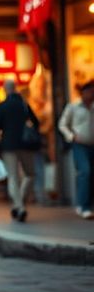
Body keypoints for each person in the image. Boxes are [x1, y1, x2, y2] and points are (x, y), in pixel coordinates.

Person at [0, 79, 41, 222]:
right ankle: (20, 203)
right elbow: (36, 122)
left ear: (4, 89)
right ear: (15, 88)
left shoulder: (1, 106)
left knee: (13, 177)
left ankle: (19, 206)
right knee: (30, 174)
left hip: (8, 146)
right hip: (25, 144)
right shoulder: (23, 104)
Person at [57, 79, 94, 218]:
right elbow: (62, 124)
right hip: (80, 145)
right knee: (85, 171)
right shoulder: (73, 107)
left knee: (90, 175)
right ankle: (84, 207)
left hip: (92, 144)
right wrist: (71, 136)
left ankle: (84, 204)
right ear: (83, 93)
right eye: (89, 91)